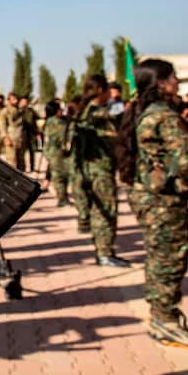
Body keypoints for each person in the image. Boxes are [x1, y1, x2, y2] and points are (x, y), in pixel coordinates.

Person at [118, 59, 188, 351]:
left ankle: (161, 316)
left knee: (158, 256)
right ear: (160, 82)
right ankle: (166, 320)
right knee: (169, 259)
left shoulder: (142, 111)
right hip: (163, 199)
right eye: (173, 77)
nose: (177, 82)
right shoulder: (163, 115)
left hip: (147, 195)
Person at [69, 74, 129, 267]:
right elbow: (113, 125)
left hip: (91, 169)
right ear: (102, 90)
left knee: (99, 210)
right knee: (106, 211)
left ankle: (102, 250)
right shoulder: (95, 113)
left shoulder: (83, 110)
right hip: (99, 169)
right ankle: (105, 253)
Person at [42, 100, 70, 206]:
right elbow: (59, 136)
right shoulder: (53, 122)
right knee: (58, 175)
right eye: (60, 109)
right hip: (54, 152)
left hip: (56, 152)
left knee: (62, 174)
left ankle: (63, 196)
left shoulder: (58, 120)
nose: (61, 111)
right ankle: (62, 199)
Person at [0, 92, 27, 169]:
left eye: (16, 99)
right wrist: (6, 138)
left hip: (20, 140)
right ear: (9, 100)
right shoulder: (4, 111)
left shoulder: (19, 110)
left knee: (21, 163)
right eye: (13, 99)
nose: (15, 100)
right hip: (11, 140)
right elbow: (2, 126)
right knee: (12, 163)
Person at [19, 95, 40, 172]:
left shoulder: (31, 111)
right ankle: (22, 168)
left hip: (31, 134)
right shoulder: (19, 111)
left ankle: (32, 168)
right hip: (22, 134)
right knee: (22, 152)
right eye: (23, 101)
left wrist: (37, 132)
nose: (24, 103)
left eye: (25, 101)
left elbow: (37, 119)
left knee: (32, 151)